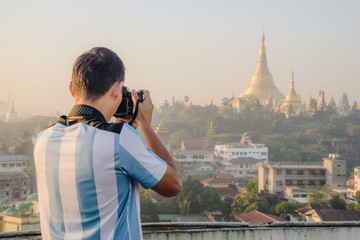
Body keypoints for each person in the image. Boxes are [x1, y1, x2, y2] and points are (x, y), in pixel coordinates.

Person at [34, 47, 182, 240]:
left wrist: (121, 131)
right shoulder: (119, 140)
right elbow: (173, 185)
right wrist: (144, 123)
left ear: (72, 88)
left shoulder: (43, 139)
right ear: (117, 91)